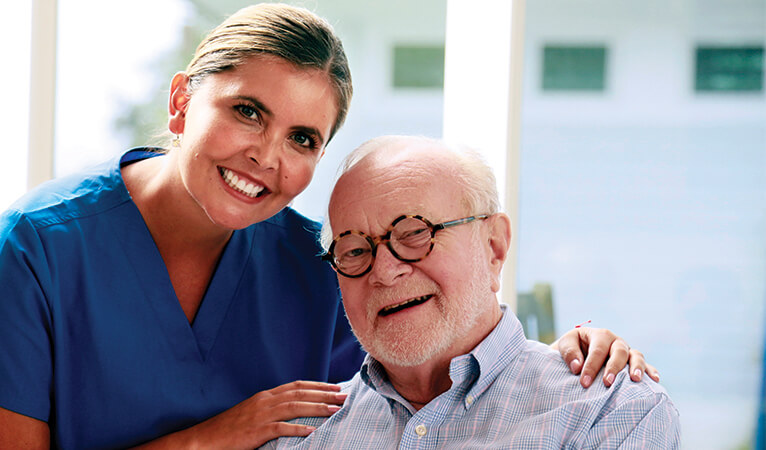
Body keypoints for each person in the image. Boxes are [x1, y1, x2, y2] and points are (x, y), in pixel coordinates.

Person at [0, 4, 655, 449]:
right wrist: (217, 438)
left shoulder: (326, 266)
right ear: (180, 104)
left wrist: (565, 355)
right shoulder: (40, 246)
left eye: (304, 139)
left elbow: (442, 385)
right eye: (247, 111)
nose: (267, 157)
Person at [265, 136, 680, 449]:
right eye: (354, 251)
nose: (385, 271)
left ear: (494, 246)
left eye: (414, 233)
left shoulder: (611, 412)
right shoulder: (294, 435)